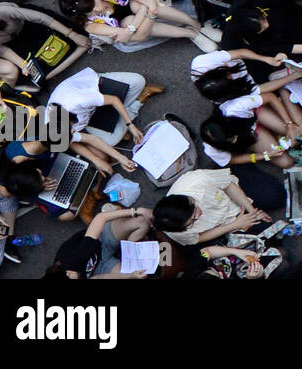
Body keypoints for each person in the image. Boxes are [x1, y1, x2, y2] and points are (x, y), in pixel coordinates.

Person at [59, 0, 213, 52]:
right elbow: (132, 36)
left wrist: (145, 10)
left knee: (138, 5)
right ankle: (190, 34)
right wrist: (149, 14)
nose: (98, 10)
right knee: (134, 27)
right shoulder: (89, 25)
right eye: (90, 12)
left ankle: (194, 23)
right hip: (130, 19)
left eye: (94, 5)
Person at [45, 65, 161, 162]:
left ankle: (120, 121)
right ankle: (137, 102)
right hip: (91, 115)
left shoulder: (77, 100)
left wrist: (130, 125)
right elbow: (89, 140)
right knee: (111, 141)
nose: (74, 131)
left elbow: (113, 99)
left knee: (139, 81)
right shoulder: (56, 131)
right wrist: (119, 158)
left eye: (72, 130)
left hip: (97, 87)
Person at [0, 2, 88, 91]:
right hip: (14, 42)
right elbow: (1, 50)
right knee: (37, 71)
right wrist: (23, 64)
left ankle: (79, 47)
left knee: (75, 38)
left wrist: (71, 34)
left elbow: (40, 18)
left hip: (29, 25)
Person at [152, 167, 282, 246]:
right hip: (224, 224)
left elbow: (228, 185)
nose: (198, 216)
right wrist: (234, 225)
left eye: (194, 210)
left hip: (232, 195)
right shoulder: (175, 231)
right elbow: (199, 238)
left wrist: (252, 211)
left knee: (277, 196)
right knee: (271, 236)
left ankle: (240, 167)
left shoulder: (198, 180)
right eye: (192, 221)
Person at [45, 206, 154, 279]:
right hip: (99, 268)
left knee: (142, 221)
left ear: (67, 272)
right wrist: (131, 275)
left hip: (102, 240)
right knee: (139, 275)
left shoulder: (76, 257)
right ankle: (128, 256)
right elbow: (98, 278)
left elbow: (100, 218)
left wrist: (135, 211)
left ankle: (128, 252)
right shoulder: (70, 275)